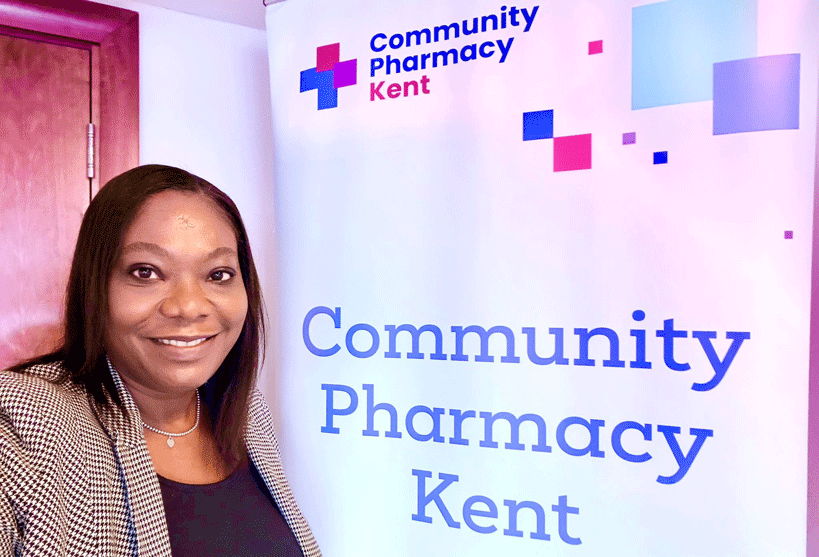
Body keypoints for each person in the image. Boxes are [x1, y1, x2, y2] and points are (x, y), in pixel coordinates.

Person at [0, 165, 321, 556]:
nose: (188, 307)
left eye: (218, 274)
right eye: (146, 272)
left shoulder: (245, 411)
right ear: (96, 286)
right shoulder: (21, 424)